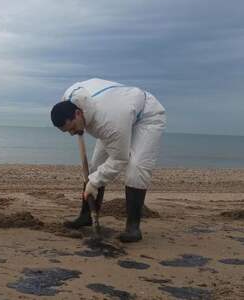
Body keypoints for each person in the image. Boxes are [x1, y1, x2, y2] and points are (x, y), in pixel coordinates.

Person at [50, 78, 166, 242]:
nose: (73, 133)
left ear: (78, 113)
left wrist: (94, 183)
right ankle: (87, 216)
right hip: (121, 111)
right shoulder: (69, 97)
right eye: (68, 131)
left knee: (136, 167)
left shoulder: (108, 122)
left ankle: (133, 228)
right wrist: (94, 178)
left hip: (146, 116)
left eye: (73, 128)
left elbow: (119, 159)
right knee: (96, 166)